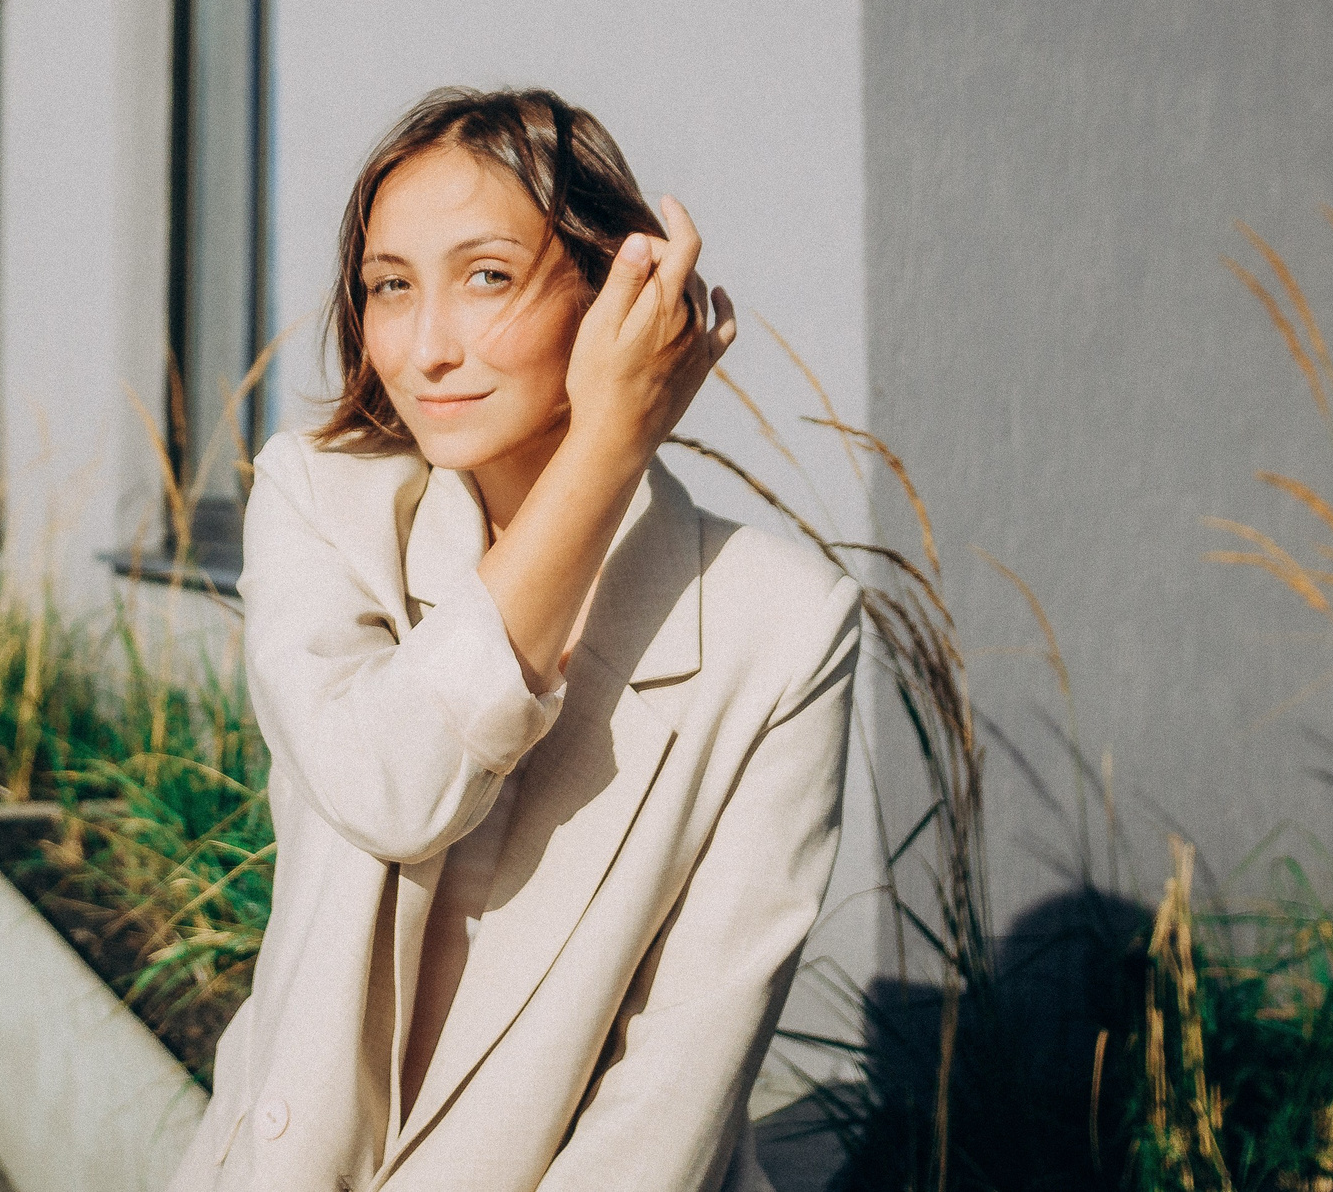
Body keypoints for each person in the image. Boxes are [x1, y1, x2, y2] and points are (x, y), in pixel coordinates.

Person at [166, 87, 862, 1192]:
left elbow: (676, 1082)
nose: (427, 346)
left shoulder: (781, 624)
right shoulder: (320, 504)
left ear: (621, 293)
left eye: (486, 276)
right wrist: (606, 451)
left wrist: (608, 441)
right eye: (390, 286)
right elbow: (394, 787)